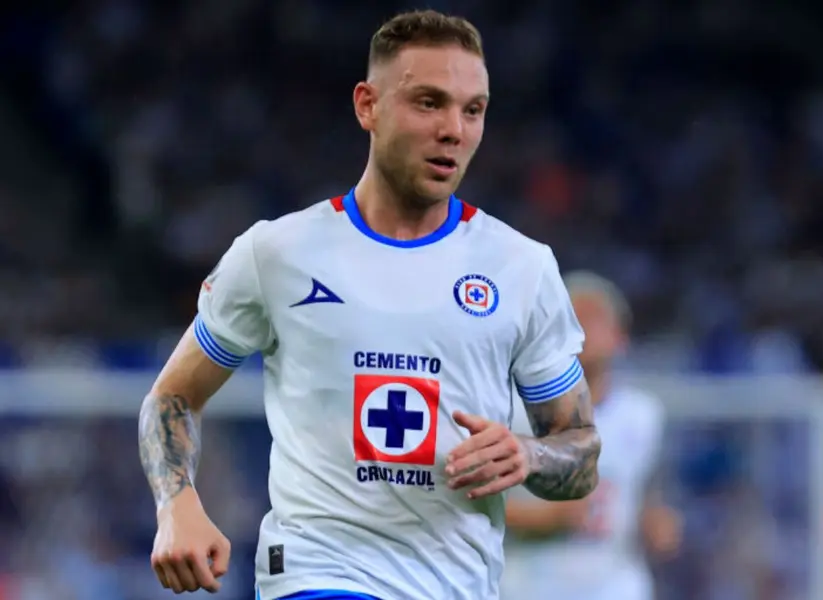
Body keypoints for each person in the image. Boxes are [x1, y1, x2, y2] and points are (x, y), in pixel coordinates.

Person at [136, 10, 601, 600]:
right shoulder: (277, 253)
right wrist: (177, 504)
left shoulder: (522, 268)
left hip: (456, 584)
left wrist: (528, 454)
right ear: (367, 105)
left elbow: (580, 450)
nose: (454, 129)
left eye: (473, 109)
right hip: (316, 576)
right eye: (429, 103)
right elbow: (173, 396)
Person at [501, 271, 680, 600]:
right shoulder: (510, 408)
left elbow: (646, 495)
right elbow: (469, 502)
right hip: (529, 583)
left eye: (593, 318)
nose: (582, 330)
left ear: (620, 337)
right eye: (572, 318)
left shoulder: (642, 415)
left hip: (613, 585)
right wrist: (542, 518)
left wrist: (657, 524)